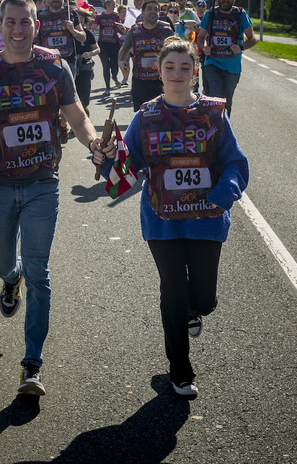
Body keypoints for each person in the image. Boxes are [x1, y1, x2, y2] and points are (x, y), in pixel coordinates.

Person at [0, 0, 113, 397]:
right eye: (11, 22)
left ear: (37, 26)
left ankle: (32, 365)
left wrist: (94, 143)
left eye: (26, 22)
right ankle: (11, 277)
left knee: (40, 271)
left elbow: (78, 117)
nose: (18, 29)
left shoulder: (54, 66)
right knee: (3, 263)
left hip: (43, 182)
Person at [96, 37, 249, 398]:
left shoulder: (214, 113)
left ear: (195, 72)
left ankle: (194, 308)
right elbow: (129, 166)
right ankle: (180, 371)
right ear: (159, 71)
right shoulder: (146, 116)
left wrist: (223, 194)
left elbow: (235, 162)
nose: (177, 73)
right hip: (162, 220)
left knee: (204, 300)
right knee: (173, 291)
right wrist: (106, 158)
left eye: (184, 67)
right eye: (170, 67)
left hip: (207, 218)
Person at [195, 0, 256, 116]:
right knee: (216, 99)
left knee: (227, 102)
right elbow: (200, 37)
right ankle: (214, 126)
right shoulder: (210, 14)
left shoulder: (240, 14)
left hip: (232, 66)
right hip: (212, 63)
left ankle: (224, 125)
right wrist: (204, 47)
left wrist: (240, 47)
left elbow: (252, 39)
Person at [38, 0, 86, 143]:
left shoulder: (70, 13)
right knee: (47, 95)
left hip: (67, 60)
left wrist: (73, 31)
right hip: (45, 61)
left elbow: (83, 37)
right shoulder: (40, 15)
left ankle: (63, 124)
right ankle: (52, 126)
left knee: (66, 95)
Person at [117, 0, 176, 111]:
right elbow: (124, 49)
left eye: (156, 9)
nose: (153, 11)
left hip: (162, 81)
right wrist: (120, 61)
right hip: (140, 81)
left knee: (163, 115)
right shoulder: (134, 31)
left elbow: (175, 52)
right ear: (142, 13)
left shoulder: (166, 30)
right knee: (142, 115)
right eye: (149, 9)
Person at [94, 0, 127, 95]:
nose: (115, 6)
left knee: (114, 65)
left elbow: (122, 29)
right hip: (103, 44)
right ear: (107, 6)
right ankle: (107, 88)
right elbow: (93, 28)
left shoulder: (116, 16)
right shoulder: (100, 16)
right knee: (106, 65)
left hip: (114, 44)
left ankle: (115, 77)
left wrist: (122, 28)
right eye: (113, 4)